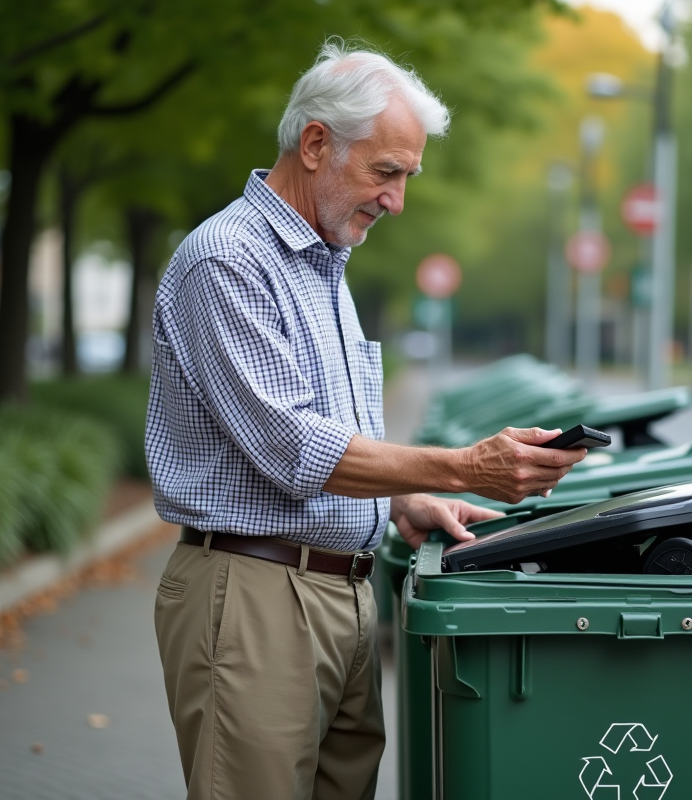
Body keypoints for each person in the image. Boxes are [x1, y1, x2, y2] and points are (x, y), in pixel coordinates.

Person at [146, 39, 586, 800]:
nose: (397, 201)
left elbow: (330, 436)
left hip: (344, 595)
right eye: (386, 172)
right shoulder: (227, 259)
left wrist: (399, 499)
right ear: (315, 143)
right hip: (255, 594)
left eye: (407, 177)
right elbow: (293, 446)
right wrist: (461, 466)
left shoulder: (324, 264)